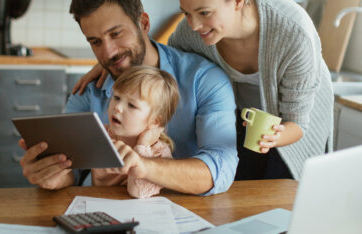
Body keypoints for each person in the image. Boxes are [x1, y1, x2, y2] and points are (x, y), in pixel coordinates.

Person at [74, 0, 333, 180]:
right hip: (247, 119)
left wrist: (274, 137)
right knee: (244, 192)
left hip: (295, 121)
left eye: (204, 12)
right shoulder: (192, 32)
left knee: (287, 193)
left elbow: (298, 122)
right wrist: (111, 63)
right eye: (186, 13)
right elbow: (168, 60)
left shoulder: (293, 31)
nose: (195, 24)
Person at [19, 0, 239, 195]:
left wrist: (144, 167)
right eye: (95, 42)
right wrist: (54, 176)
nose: (108, 52)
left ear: (143, 23)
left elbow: (221, 168)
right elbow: (72, 170)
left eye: (116, 34)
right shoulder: (88, 91)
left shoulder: (204, 80)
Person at [93, 65, 179, 198]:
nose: (118, 107)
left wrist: (142, 145)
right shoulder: (102, 135)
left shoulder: (158, 153)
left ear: (155, 121)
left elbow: (138, 192)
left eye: (132, 105)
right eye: (116, 97)